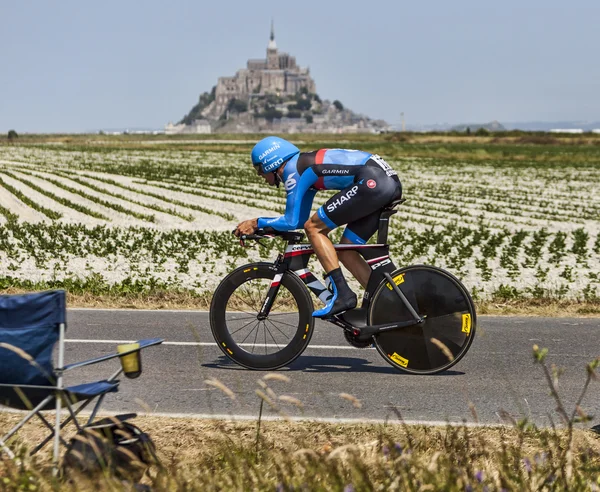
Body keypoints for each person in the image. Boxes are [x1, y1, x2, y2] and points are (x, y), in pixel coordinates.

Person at [234, 136, 402, 318]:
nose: (261, 177)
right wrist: (265, 226)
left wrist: (256, 223)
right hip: (383, 181)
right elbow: (297, 220)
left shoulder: (292, 170)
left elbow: (291, 222)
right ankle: (389, 305)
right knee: (346, 250)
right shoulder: (302, 166)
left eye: (260, 171)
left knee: (314, 228)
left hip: (372, 182)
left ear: (270, 163)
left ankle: (343, 295)